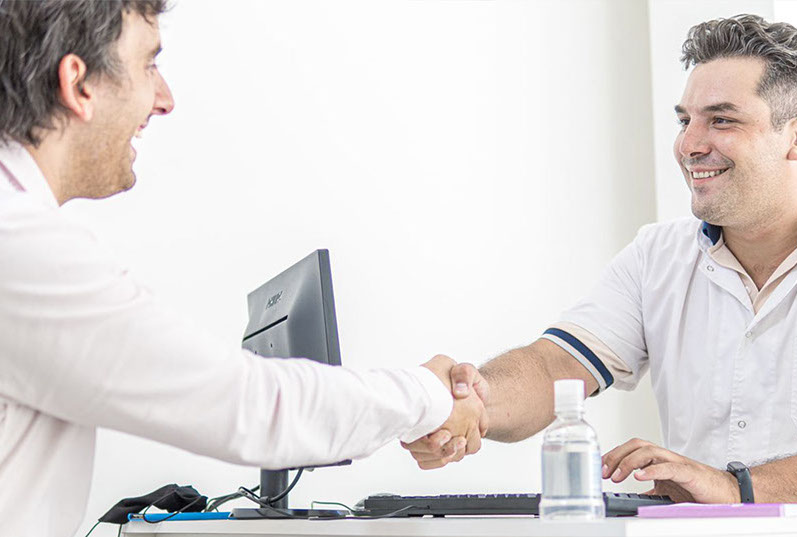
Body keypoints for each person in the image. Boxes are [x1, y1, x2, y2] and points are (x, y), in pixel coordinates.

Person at [0, 2, 486, 536]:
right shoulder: (21, 246)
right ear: (78, 84)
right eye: (148, 64)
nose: (165, 98)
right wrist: (429, 394)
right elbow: (249, 407)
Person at [404, 14, 797, 514]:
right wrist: (464, 400)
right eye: (684, 121)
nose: (689, 145)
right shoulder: (658, 255)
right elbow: (555, 367)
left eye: (721, 120)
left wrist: (736, 490)